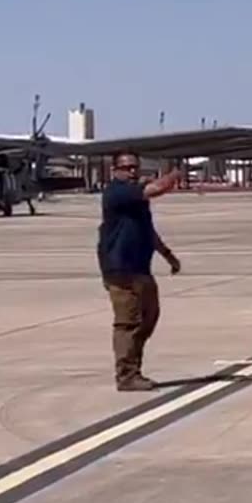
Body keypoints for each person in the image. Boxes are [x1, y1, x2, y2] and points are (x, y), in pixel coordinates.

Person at [97, 152, 183, 391]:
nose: (132, 171)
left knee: (149, 317)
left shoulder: (136, 198)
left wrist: (167, 255)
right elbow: (155, 189)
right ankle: (126, 375)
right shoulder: (118, 192)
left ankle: (133, 367)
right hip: (120, 267)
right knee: (128, 322)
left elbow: (147, 230)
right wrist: (174, 175)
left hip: (140, 267)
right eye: (126, 167)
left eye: (135, 167)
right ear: (115, 170)